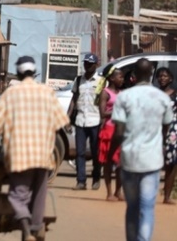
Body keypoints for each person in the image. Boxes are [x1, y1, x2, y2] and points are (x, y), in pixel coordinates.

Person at [0, 56, 69, 241]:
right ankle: (36, 228)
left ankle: (27, 230)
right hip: (44, 156)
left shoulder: (11, 94)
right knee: (39, 196)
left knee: (18, 196)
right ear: (33, 73)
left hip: (19, 156)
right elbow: (62, 125)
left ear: (18, 73)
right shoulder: (47, 92)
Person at [108, 58, 173, 241]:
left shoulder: (124, 97)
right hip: (151, 161)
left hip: (129, 159)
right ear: (151, 73)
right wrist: (159, 145)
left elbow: (119, 132)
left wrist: (110, 152)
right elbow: (166, 127)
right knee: (146, 207)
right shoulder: (162, 98)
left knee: (132, 207)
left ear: (134, 75)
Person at [66, 53, 102, 191]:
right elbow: (74, 99)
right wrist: (67, 118)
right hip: (81, 120)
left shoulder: (100, 81)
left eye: (90, 63)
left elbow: (103, 100)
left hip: (96, 120)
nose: (87, 66)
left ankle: (96, 178)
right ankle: (81, 181)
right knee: (79, 152)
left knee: (95, 152)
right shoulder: (79, 80)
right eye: (85, 63)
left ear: (96, 65)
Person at [96, 64, 124, 201]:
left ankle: (119, 191)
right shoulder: (105, 93)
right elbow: (102, 113)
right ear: (112, 78)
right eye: (119, 76)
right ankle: (109, 192)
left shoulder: (122, 93)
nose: (122, 79)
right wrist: (117, 111)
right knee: (108, 162)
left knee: (121, 163)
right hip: (109, 129)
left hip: (121, 129)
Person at [156, 67, 177, 205]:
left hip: (172, 132)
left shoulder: (175, 94)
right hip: (155, 130)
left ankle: (167, 195)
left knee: (171, 164)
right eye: (160, 76)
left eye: (165, 76)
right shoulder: (154, 94)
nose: (162, 78)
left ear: (170, 78)